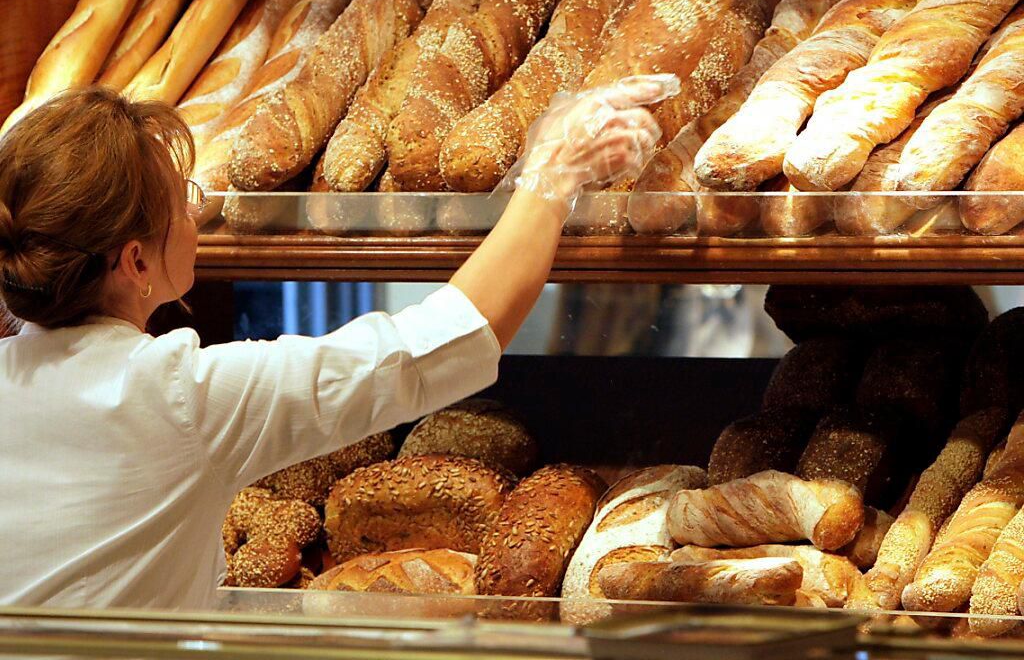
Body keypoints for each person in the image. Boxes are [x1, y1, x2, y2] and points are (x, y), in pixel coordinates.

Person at [0, 75, 673, 609]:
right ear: (137, 263)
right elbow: (441, 343)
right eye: (183, 199)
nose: (197, 212)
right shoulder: (181, 399)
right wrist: (555, 173)